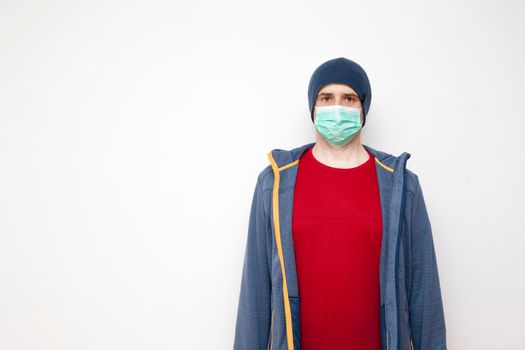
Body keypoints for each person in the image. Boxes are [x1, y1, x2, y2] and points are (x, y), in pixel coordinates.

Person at [233, 57, 446, 350]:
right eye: (326, 97)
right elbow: (254, 292)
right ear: (313, 107)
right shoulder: (274, 182)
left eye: (348, 98)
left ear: (363, 108)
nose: (337, 107)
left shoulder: (401, 186)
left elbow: (424, 293)